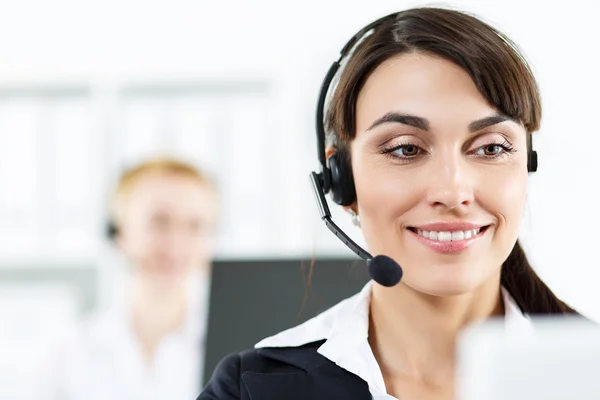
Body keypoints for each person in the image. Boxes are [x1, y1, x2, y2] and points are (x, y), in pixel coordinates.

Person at [198, 7, 578, 400]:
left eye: (492, 147)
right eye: (406, 149)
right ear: (341, 181)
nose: (452, 191)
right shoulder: (251, 389)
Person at [36, 157, 219, 400]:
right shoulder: (68, 353)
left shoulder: (248, 352)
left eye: (194, 226)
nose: (176, 243)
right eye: (159, 222)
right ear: (117, 231)